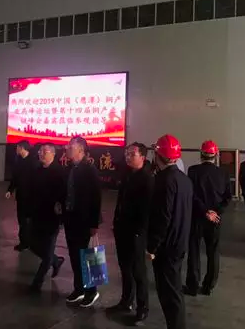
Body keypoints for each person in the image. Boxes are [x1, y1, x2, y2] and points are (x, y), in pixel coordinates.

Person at [147, 134, 193, 329]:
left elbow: (163, 218)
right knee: (174, 291)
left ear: (158, 155)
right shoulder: (184, 179)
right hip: (180, 242)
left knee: (170, 295)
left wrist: (152, 247)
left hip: (166, 247)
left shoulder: (163, 181)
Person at [109, 142, 153, 324]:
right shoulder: (127, 174)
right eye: (127, 153)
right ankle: (126, 300)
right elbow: (120, 201)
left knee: (138, 271)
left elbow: (147, 211)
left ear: (142, 157)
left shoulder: (147, 179)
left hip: (136, 233)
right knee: (125, 267)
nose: (128, 157)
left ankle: (142, 308)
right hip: (122, 229)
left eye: (132, 154)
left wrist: (140, 233)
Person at [184, 140, 231, 297]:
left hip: (197, 217)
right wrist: (215, 212)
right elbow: (227, 197)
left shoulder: (193, 171)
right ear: (216, 155)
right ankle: (209, 286)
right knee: (213, 252)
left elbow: (192, 195)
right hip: (215, 219)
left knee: (194, 251)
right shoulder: (223, 173)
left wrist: (205, 211)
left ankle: (192, 286)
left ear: (201, 154)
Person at [63, 136, 102, 308]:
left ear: (81, 149)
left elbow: (96, 198)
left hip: (85, 221)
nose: (67, 148)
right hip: (70, 218)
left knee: (87, 257)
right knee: (74, 255)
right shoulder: (70, 168)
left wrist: (94, 223)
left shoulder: (90, 170)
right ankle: (79, 288)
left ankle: (91, 291)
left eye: (70, 146)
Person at [29, 143, 66, 292]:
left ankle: (37, 283)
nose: (41, 154)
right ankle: (56, 261)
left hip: (52, 217)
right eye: (40, 151)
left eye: (45, 152)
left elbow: (64, 194)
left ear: (53, 154)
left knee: (48, 249)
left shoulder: (59, 172)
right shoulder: (37, 170)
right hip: (37, 214)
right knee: (32, 244)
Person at [5, 140, 36, 251]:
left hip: (31, 197)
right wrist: (10, 190)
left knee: (28, 221)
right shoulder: (18, 161)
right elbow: (15, 178)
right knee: (21, 220)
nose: (16, 149)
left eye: (17, 147)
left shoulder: (33, 162)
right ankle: (24, 242)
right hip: (21, 196)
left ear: (22, 148)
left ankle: (29, 242)